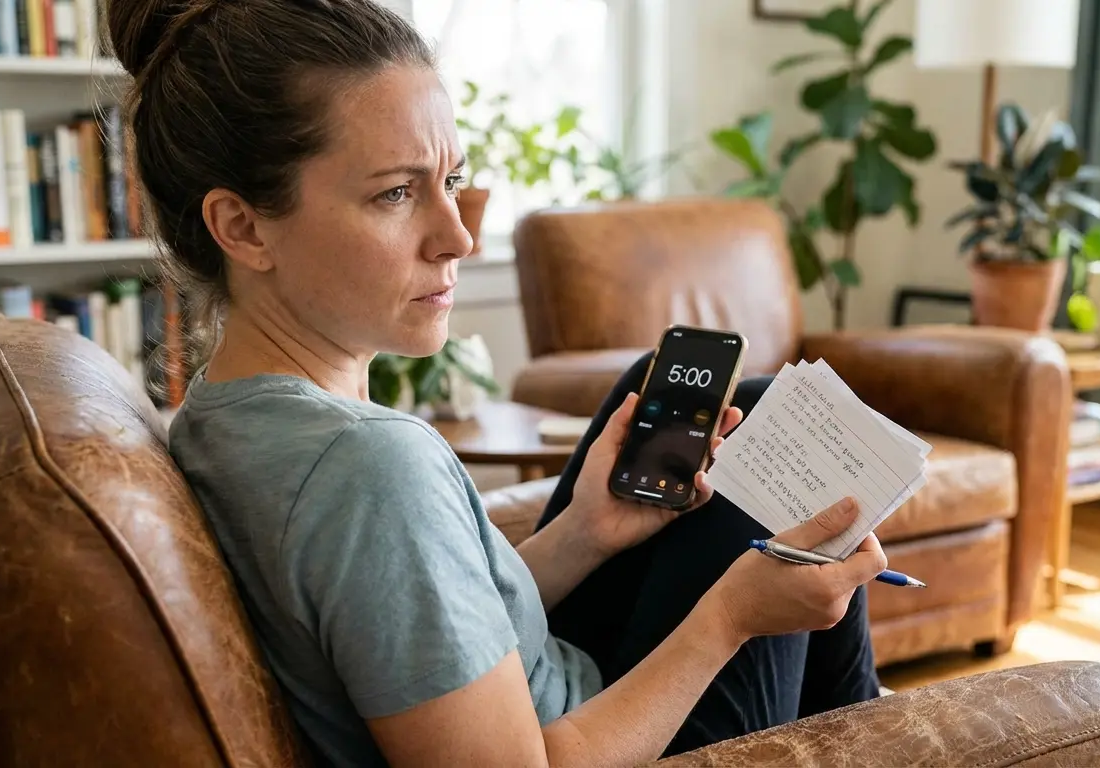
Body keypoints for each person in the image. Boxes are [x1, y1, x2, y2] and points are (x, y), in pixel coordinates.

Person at [107, 1, 888, 765]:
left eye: (452, 181)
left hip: (562, 694)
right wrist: (733, 617)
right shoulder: (370, 468)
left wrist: (585, 532)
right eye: (395, 193)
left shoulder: (217, 418)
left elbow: (419, 632)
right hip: (596, 739)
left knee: (720, 404)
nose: (458, 236)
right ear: (242, 227)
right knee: (767, 445)